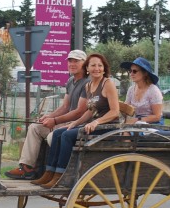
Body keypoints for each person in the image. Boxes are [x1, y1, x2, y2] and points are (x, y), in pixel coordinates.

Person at [33, 53, 120, 189]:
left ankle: (61, 176)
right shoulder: (89, 85)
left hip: (107, 127)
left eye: (100, 65)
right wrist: (76, 122)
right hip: (92, 125)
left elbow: (115, 111)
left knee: (67, 136)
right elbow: (90, 111)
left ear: (104, 68)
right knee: (58, 133)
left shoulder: (108, 84)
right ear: (87, 68)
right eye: (93, 65)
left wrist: (97, 122)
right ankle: (49, 172)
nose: (96, 68)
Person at [4, 50, 88, 179]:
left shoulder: (87, 83)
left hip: (77, 124)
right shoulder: (71, 81)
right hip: (65, 122)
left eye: (76, 61)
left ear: (84, 63)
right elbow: (65, 106)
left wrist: (54, 121)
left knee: (51, 136)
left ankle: (54, 170)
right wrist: (49, 116)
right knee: (35, 127)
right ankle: (27, 167)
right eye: (70, 61)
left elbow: (80, 111)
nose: (72, 64)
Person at [120, 57, 163, 125]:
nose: (131, 74)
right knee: (122, 131)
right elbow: (126, 109)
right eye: (130, 71)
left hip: (153, 125)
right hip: (137, 123)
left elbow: (157, 116)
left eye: (134, 71)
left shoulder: (153, 90)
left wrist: (138, 120)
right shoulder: (131, 90)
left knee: (128, 132)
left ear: (145, 73)